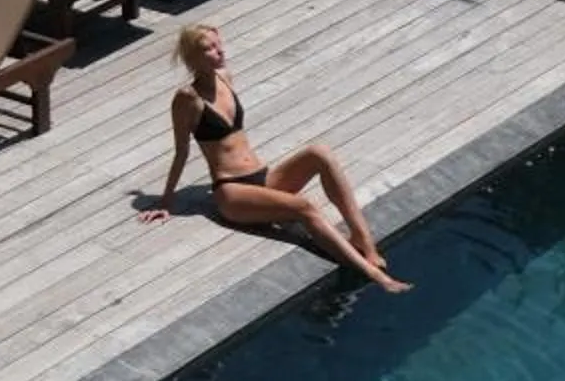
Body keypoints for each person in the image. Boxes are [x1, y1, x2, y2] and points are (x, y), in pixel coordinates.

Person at [139, 22, 411, 291]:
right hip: (233, 192)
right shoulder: (187, 99)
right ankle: (375, 276)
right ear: (193, 58)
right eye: (208, 49)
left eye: (217, 44)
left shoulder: (225, 77)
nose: (218, 51)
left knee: (320, 152)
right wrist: (166, 200)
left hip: (264, 177)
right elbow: (181, 152)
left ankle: (365, 243)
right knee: (304, 207)